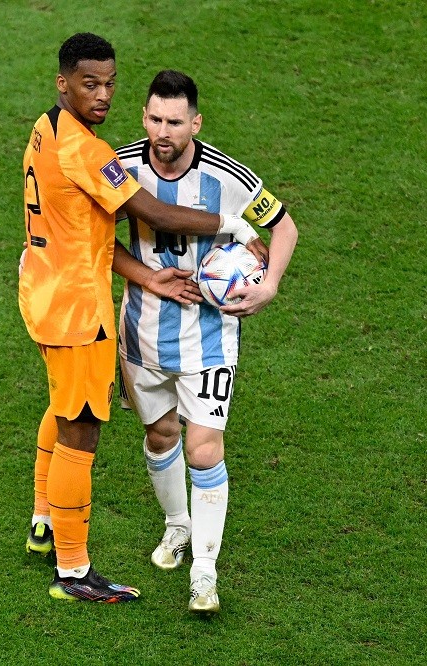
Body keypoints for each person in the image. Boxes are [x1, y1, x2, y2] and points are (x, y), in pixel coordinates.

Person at [19, 34, 266, 603]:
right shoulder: (88, 152)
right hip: (77, 310)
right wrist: (233, 225)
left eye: (109, 83)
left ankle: (43, 521)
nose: (102, 95)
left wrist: (147, 276)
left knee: (60, 405)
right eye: (90, 84)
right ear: (64, 83)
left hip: (41, 288)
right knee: (80, 427)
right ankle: (74, 571)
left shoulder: (45, 127)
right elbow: (150, 210)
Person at [111, 70, 298, 613]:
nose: (162, 131)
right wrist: (144, 277)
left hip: (211, 336)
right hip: (142, 331)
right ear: (143, 117)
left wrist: (270, 286)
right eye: (153, 119)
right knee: (162, 435)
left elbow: (283, 227)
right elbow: (95, 243)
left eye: (174, 122)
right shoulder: (119, 167)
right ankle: (177, 527)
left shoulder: (226, 177)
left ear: (195, 122)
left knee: (203, 446)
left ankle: (205, 572)